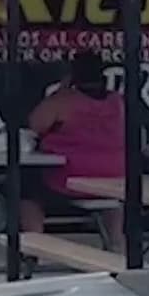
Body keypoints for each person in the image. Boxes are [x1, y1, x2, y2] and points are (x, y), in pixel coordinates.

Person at [22, 50, 125, 246]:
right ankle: (116, 240)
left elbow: (35, 124)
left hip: (69, 178)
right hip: (114, 176)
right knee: (113, 194)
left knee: (27, 188)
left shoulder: (64, 100)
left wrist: (61, 89)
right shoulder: (118, 102)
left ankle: (35, 244)